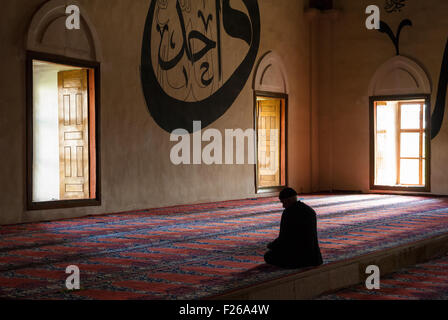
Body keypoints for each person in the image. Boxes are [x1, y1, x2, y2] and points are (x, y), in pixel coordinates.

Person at [264, 188, 323, 269]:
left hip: (297, 259)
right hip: (314, 258)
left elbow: (284, 238)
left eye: (283, 202)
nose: (283, 206)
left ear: (289, 200)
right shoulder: (310, 210)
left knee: (268, 256)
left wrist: (272, 245)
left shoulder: (288, 213)